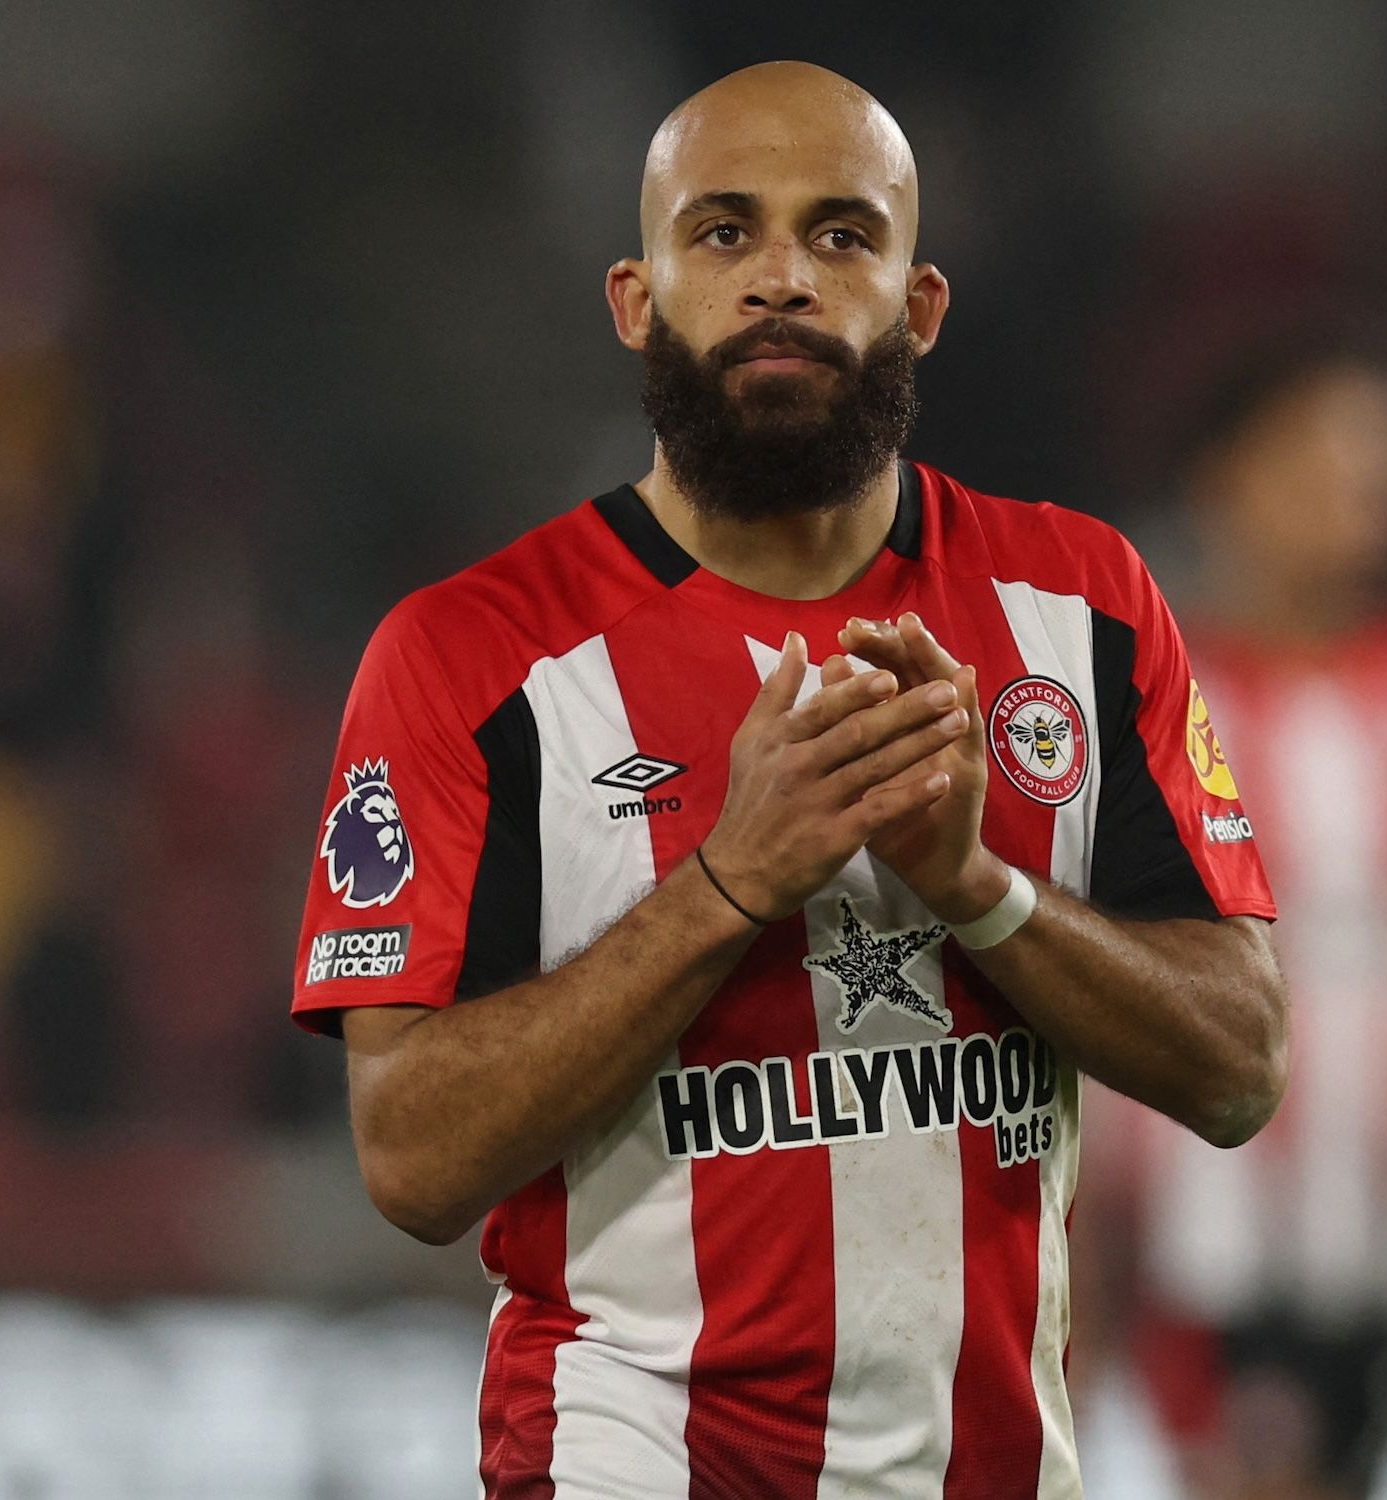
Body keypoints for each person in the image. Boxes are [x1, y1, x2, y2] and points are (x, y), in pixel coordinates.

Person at [287, 63, 1289, 1499]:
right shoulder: (469, 656)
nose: (779, 279)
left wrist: (978, 888)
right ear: (637, 300)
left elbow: (1242, 1063)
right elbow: (412, 1161)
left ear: (918, 305)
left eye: (839, 235)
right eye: (723, 233)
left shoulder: (1084, 601)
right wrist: (730, 882)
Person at [1105, 350, 1387, 1499]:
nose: (1365, 486)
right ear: (1225, 482)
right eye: (1323, 452)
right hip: (1204, 1261)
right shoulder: (1141, 717)